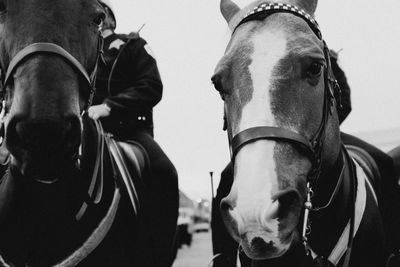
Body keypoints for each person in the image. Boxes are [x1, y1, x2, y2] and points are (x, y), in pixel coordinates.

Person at [211, 50, 400, 266]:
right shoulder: (272, 58)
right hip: (287, 135)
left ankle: (393, 249)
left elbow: (344, 100)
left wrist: (323, 129)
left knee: (382, 161)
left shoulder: (322, 56)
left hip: (325, 131)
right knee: (227, 176)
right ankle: (221, 256)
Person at [89, 1, 179, 266]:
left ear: (111, 20)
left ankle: (159, 257)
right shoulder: (75, 46)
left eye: (101, 13)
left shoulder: (132, 45)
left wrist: (109, 107)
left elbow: (151, 86)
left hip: (127, 130)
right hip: (80, 128)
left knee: (165, 172)